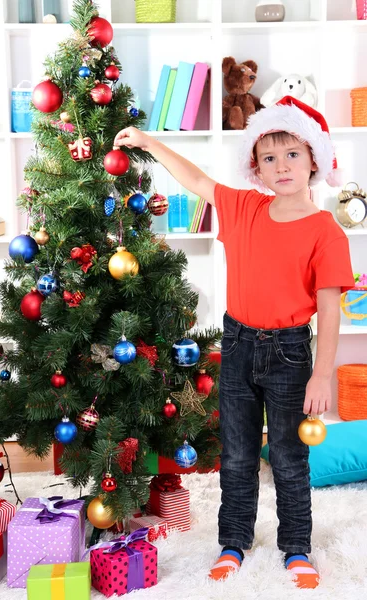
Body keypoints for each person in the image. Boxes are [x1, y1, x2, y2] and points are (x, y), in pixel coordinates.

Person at [113, 96, 354, 589]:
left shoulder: (326, 231)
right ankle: (233, 542)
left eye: (292, 154)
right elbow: (198, 180)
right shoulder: (244, 206)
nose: (281, 166)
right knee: (239, 455)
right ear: (256, 168)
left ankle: (296, 548)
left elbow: (329, 310)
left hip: (290, 352)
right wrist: (147, 142)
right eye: (269, 157)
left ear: (314, 160)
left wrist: (322, 373)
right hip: (239, 344)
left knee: (289, 456)